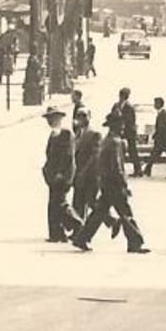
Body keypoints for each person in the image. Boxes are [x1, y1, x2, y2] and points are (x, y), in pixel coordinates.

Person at [70, 113, 149, 253]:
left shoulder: (107, 140)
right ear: (115, 125)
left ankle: (82, 238)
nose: (123, 127)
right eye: (121, 124)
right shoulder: (115, 142)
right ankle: (135, 243)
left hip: (106, 183)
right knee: (126, 213)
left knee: (98, 213)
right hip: (115, 185)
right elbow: (117, 167)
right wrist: (124, 185)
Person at [41, 107, 78, 242]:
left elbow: (68, 156)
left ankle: (78, 224)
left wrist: (61, 172)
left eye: (53, 118)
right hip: (53, 176)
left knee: (60, 204)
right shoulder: (54, 134)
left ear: (60, 118)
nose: (50, 121)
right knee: (54, 205)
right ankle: (57, 234)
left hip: (62, 175)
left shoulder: (66, 133)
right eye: (49, 119)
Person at [70, 107, 102, 222]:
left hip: (89, 175)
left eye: (84, 116)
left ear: (89, 117)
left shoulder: (94, 134)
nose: (81, 119)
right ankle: (77, 229)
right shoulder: (78, 133)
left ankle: (111, 220)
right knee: (79, 202)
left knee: (89, 201)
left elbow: (95, 156)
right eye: (79, 116)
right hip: (78, 173)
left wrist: (84, 171)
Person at [143, 97, 166, 175]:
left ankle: (147, 169)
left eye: (155, 103)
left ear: (159, 104)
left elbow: (162, 127)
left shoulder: (163, 114)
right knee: (156, 155)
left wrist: (156, 135)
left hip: (163, 139)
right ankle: (147, 169)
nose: (154, 105)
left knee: (155, 155)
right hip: (163, 139)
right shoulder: (162, 113)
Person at [114, 88, 141, 177]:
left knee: (132, 151)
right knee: (118, 150)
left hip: (129, 131)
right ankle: (119, 169)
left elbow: (130, 120)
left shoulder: (129, 107)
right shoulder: (116, 105)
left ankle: (138, 170)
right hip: (119, 131)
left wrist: (121, 117)